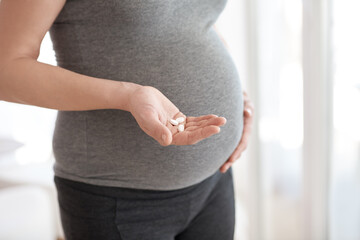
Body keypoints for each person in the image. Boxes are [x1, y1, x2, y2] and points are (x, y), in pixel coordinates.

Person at [0, 0, 254, 239]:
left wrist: (237, 96)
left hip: (215, 180)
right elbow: (6, 69)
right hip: (119, 198)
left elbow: (194, 19)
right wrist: (128, 95)